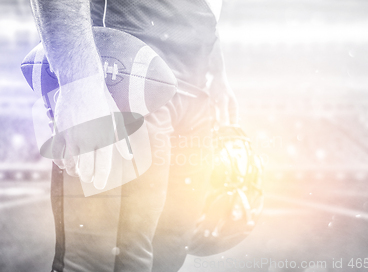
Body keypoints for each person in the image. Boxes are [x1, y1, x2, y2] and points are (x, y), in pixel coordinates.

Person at [29, 0, 239, 271]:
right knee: (98, 260)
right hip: (126, 73)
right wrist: (80, 84)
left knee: (166, 252)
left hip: (194, 85)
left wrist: (216, 71)